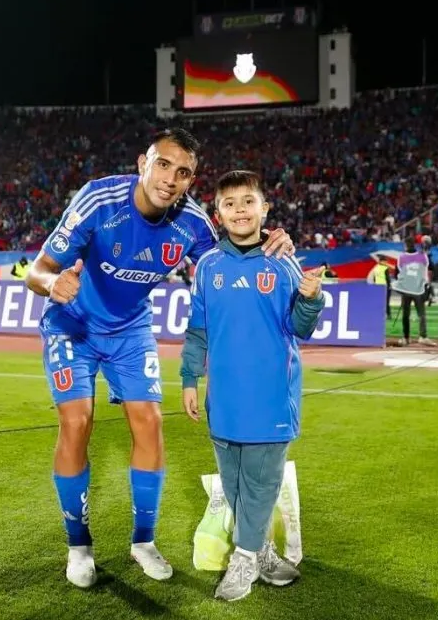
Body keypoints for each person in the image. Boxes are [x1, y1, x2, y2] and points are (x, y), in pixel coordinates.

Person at [23, 129, 295, 589]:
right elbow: (38, 269)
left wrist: (274, 241)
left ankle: (143, 542)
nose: (170, 178)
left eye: (183, 172)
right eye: (163, 164)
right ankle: (79, 547)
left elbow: (232, 257)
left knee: (149, 422)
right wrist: (52, 285)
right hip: (73, 324)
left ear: (191, 181)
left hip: (130, 329)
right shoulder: (97, 200)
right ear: (142, 163)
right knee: (76, 422)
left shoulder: (190, 223)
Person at [178, 170, 324, 602]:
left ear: (264, 208)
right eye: (230, 203)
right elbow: (198, 331)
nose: (240, 210)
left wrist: (312, 297)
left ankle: (242, 561)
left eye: (248, 201)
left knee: (261, 483)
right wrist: (189, 379)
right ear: (218, 213)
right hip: (223, 398)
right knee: (236, 484)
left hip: (270, 397)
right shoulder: (207, 266)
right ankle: (259, 551)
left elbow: (299, 328)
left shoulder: (282, 259)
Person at [391, 238, 434, 346]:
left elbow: (397, 273)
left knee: (406, 314)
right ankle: (423, 336)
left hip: (406, 289)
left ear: (405, 245)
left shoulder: (401, 257)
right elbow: (428, 269)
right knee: (421, 314)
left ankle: (406, 337)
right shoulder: (422, 256)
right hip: (419, 289)